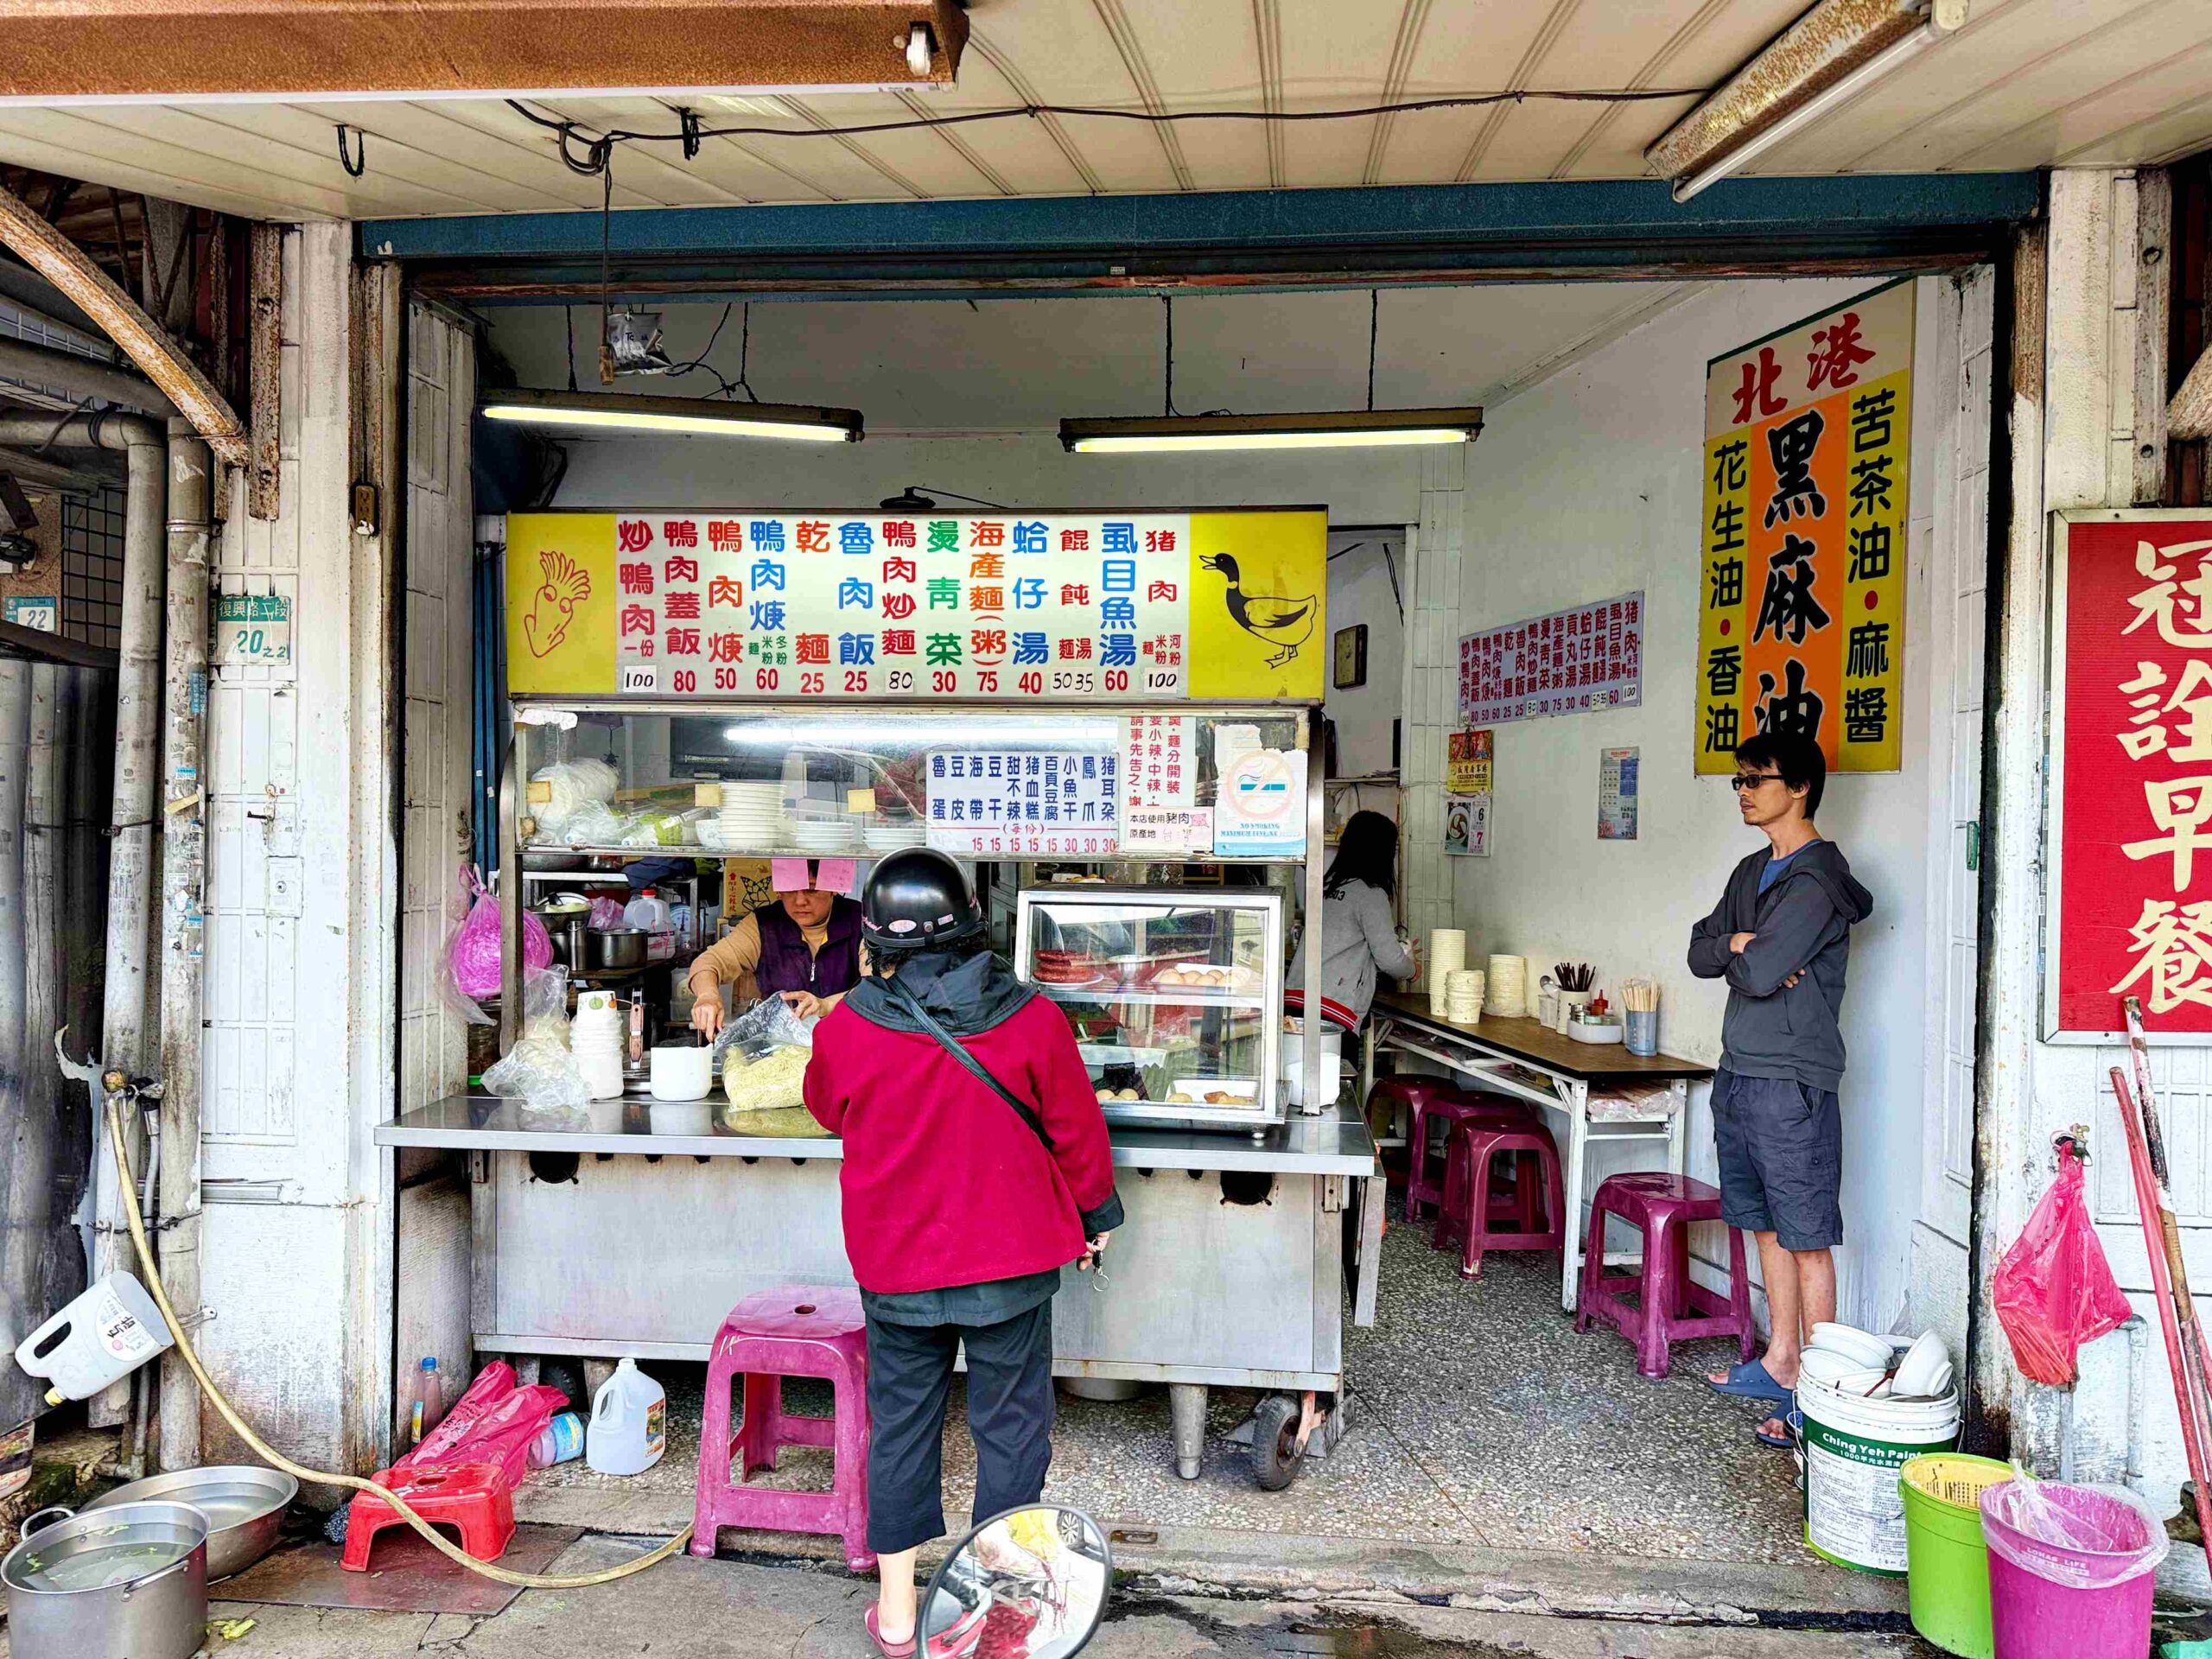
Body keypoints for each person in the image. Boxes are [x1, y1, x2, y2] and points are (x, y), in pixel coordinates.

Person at [802, 849, 1122, 1659]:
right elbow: (1077, 1131)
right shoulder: (1034, 1018)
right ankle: (1000, 1610)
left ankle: (901, 1615)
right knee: (1011, 1428)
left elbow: (824, 1108)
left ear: (874, 942)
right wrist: (1096, 1214)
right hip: (1011, 1264)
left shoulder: (848, 1027)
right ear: (975, 925)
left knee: (901, 1427)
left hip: (898, 1265)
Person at [1688, 731, 1873, 1450]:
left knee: (1805, 1237)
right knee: (1762, 1222)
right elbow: (1703, 949)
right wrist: (1740, 946)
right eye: (1738, 779)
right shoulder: (1751, 871)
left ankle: (1819, 1401)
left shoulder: (1818, 881)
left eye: (1756, 779)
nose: (1743, 790)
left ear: (1798, 788)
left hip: (1792, 1077)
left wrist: (1750, 954)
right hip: (1740, 1069)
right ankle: (1781, 1358)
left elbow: (1764, 976)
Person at [686, 866, 863, 1033]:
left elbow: (881, 986)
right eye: (791, 889)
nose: (800, 901)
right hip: (781, 1046)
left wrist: (827, 1005)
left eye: (811, 889)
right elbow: (708, 962)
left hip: (851, 1042)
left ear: (832, 888)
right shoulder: (764, 924)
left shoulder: (862, 921)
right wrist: (707, 996)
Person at [1287, 809, 1418, 1031]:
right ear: (1383, 853)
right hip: (1332, 1006)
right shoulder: (1370, 894)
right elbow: (1390, 960)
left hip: (1295, 998)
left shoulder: (1328, 887)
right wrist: (1412, 970)